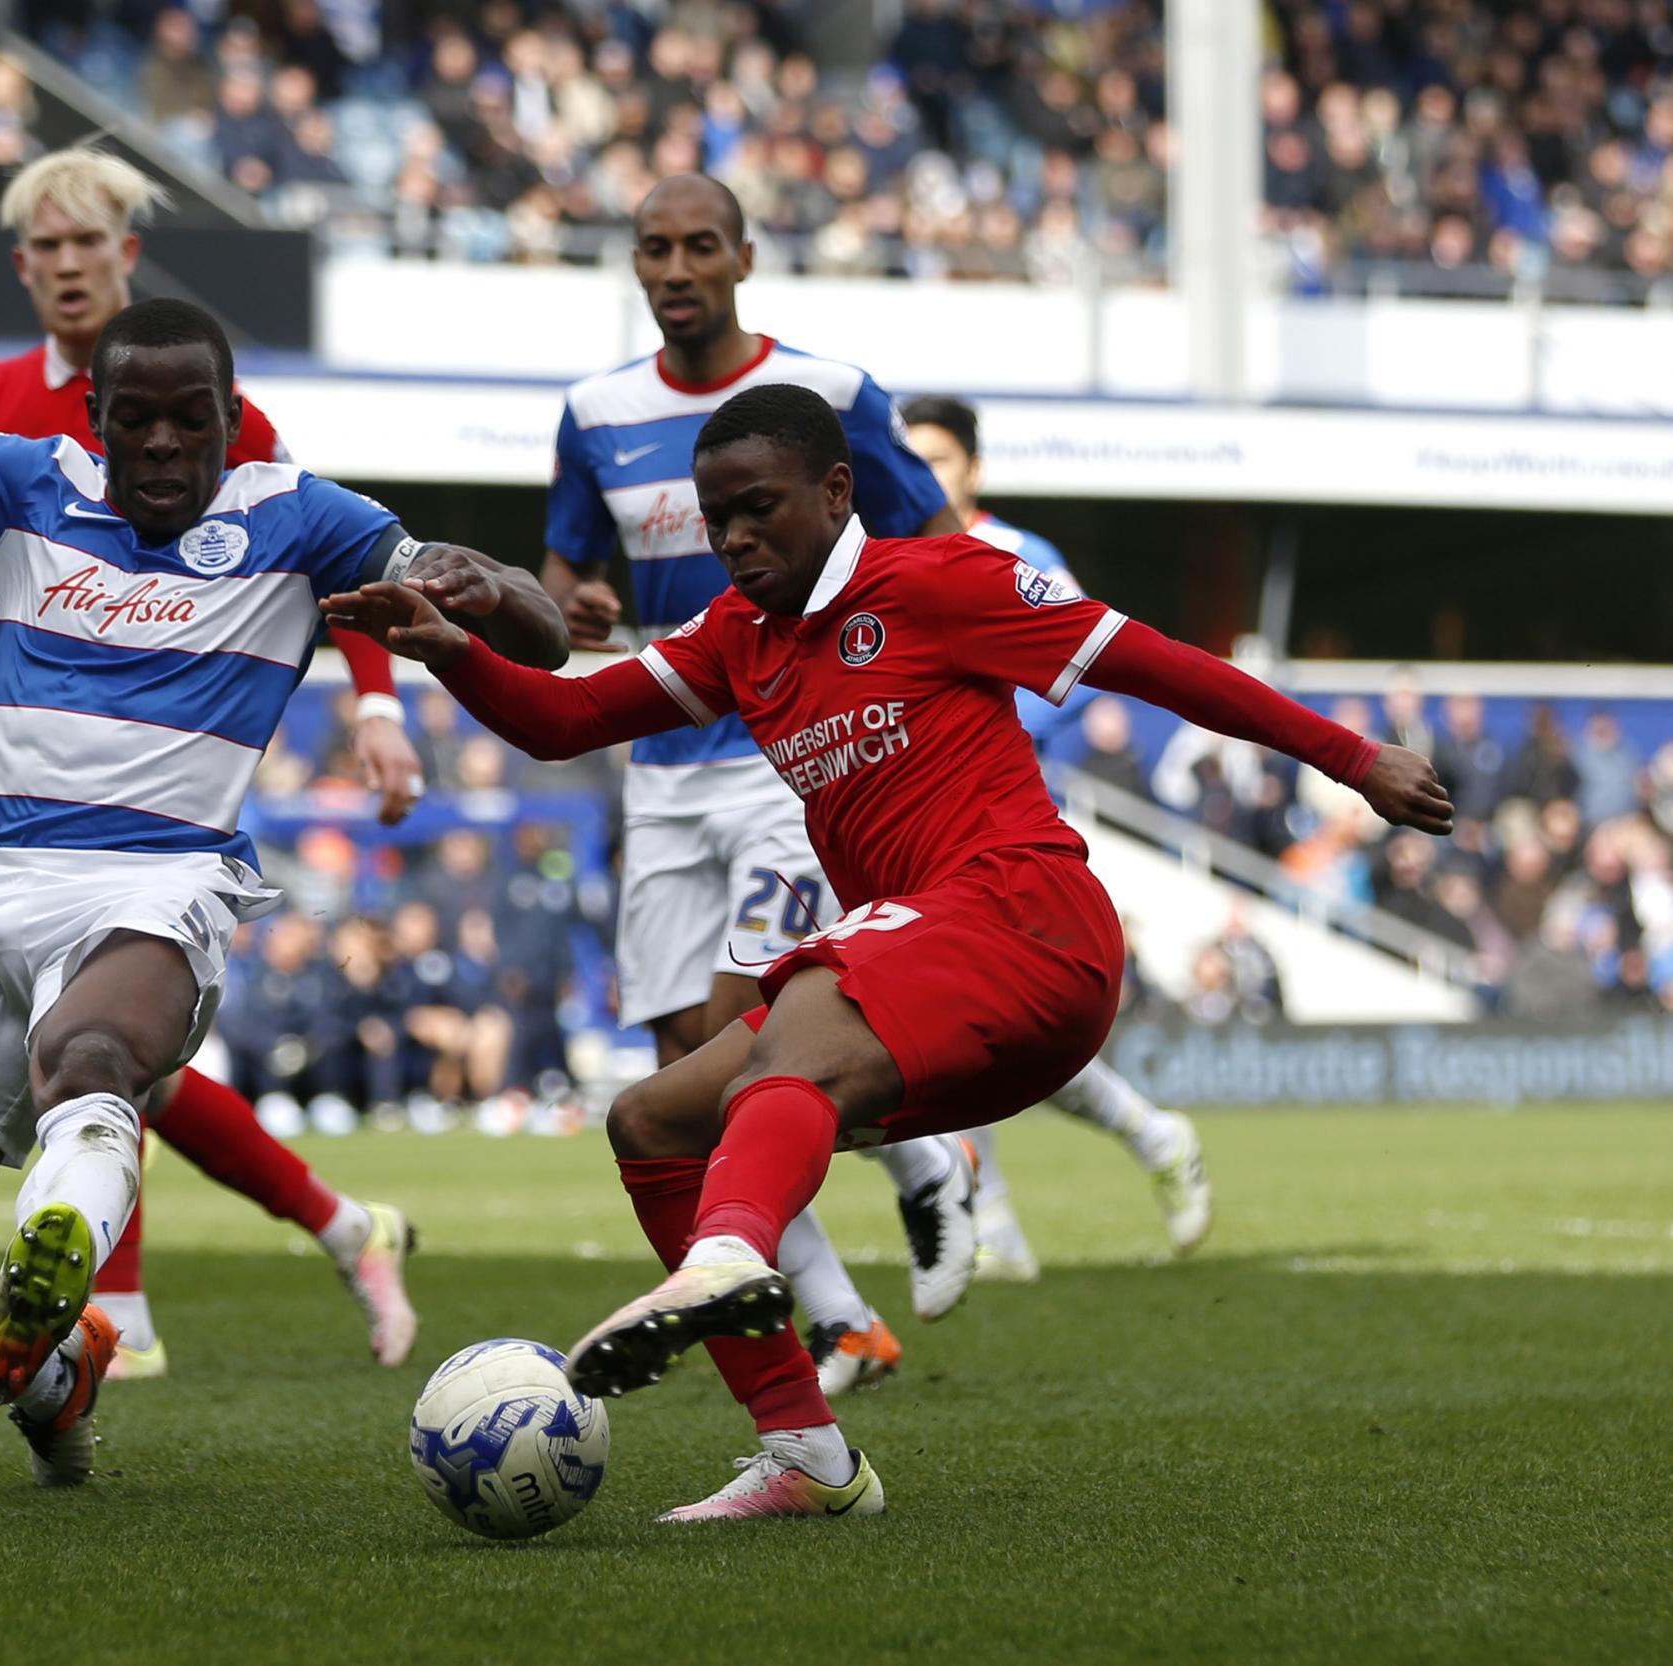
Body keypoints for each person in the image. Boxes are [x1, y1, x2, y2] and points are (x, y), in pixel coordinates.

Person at [326, 383, 1451, 1521]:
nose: (732, 538)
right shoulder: (736, 638)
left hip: (1033, 921)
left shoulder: (939, 582)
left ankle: (729, 1253)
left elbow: (1159, 664)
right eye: (715, 519)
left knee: (806, 1002)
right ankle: (806, 1454)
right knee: (652, 1121)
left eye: (757, 508)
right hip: (937, 976)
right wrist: (451, 653)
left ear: (835, 489)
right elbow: (561, 720)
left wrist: (1355, 760)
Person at [0, 256, 567, 1487]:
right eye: (136, 416)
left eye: (194, 416)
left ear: (233, 419)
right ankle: (51, 1365)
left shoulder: (308, 519)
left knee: (94, 1060)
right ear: (95, 418)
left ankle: (57, 1237)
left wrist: (487, 585)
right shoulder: (10, 480)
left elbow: (543, 635)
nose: (164, 441)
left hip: (159, 883)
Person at [0, 146, 432, 1381]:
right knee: (97, 1074)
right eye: (44, 247)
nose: (66, 265)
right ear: (22, 266)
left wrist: (379, 709)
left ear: (124, 254)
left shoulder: (220, 407)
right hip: (16, 794)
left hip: (161, 804)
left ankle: (123, 1296)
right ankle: (328, 1225)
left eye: (87, 242)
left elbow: (333, 560)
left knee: (105, 1045)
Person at [539, 173, 976, 1394]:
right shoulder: (595, 410)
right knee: (690, 1059)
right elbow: (568, 562)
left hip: (793, 752)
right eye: (652, 249)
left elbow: (932, 544)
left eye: (697, 246)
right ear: (632, 266)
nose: (674, 268)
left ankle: (919, 1161)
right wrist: (572, 603)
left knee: (751, 1026)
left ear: (741, 255)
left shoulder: (830, 397)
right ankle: (840, 1317)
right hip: (664, 760)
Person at [901, 393, 1212, 1277]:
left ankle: (1002, 1220)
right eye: (911, 459)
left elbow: (1068, 677)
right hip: (907, 821)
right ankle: (1143, 1142)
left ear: (975, 470)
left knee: (973, 1023)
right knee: (973, 1026)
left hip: (996, 821)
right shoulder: (878, 557)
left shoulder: (1021, 558)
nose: (926, 477)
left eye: (941, 459)